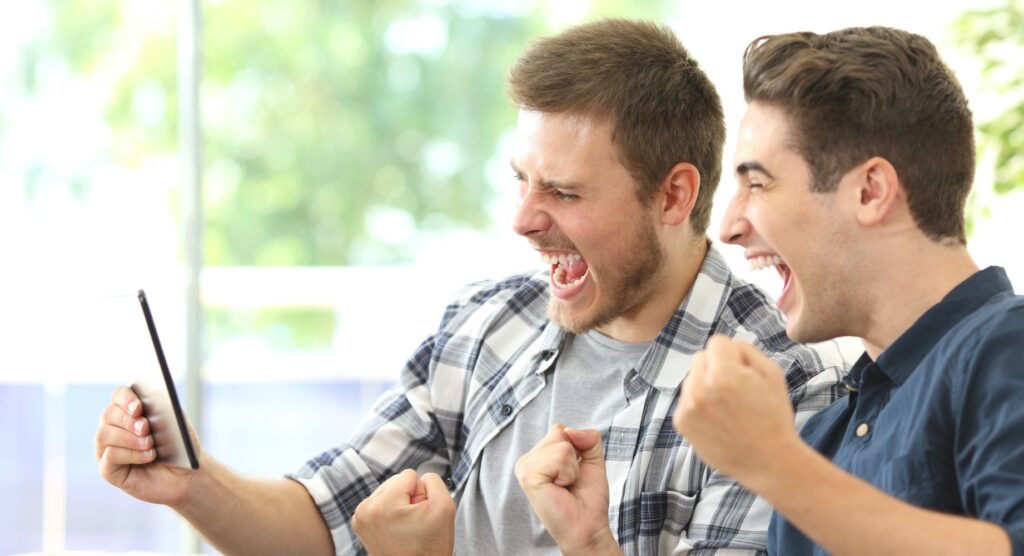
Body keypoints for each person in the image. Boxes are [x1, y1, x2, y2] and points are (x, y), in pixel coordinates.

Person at [95, 19, 847, 555]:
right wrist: (190, 480)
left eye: (564, 192)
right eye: (520, 180)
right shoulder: (492, 325)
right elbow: (321, 522)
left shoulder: (780, 392)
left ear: (675, 196)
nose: (522, 219)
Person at [674, 26, 1024, 556]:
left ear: (870, 191)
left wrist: (774, 464)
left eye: (758, 183)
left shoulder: (1006, 347)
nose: (726, 227)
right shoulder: (824, 437)